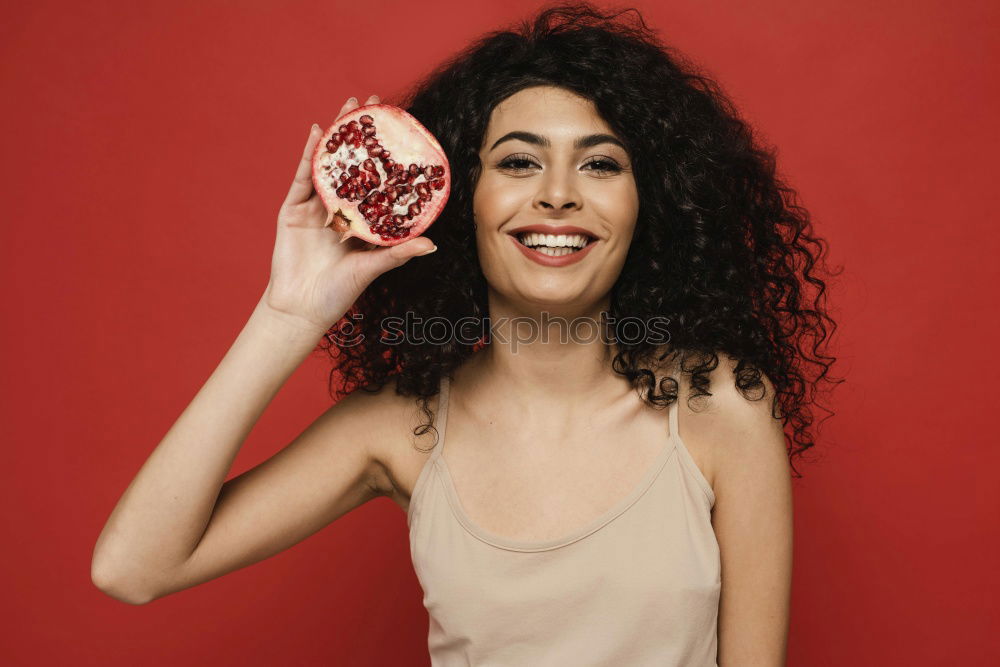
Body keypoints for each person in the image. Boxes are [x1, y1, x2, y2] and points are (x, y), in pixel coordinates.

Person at [92, 4, 839, 665]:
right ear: (462, 203)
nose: (557, 193)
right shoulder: (402, 430)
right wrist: (288, 314)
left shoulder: (721, 409)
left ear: (651, 206)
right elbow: (132, 567)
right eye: (518, 161)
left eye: (601, 164)